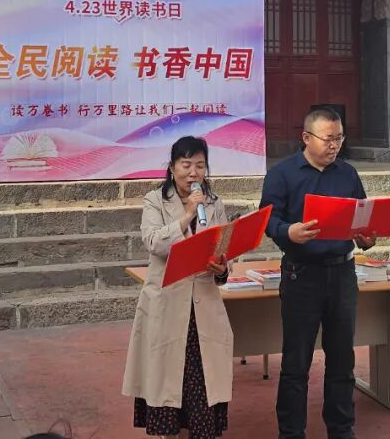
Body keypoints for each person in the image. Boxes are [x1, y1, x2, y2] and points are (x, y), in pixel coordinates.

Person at [260, 107, 375, 439]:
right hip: (302, 275)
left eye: (339, 138)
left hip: (342, 274)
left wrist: (367, 237)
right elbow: (267, 219)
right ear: (306, 138)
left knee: (342, 360)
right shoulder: (282, 174)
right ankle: (291, 433)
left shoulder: (348, 174)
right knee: (296, 363)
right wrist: (288, 231)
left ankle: (341, 429)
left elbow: (362, 215)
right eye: (328, 139)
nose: (334, 145)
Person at [123, 136, 234, 438]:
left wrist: (223, 267)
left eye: (200, 165)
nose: (193, 172)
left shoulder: (214, 203)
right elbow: (154, 242)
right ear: (172, 168)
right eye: (186, 165)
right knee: (167, 378)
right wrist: (187, 216)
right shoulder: (155, 200)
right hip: (168, 304)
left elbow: (224, 248)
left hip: (203, 306)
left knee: (201, 377)